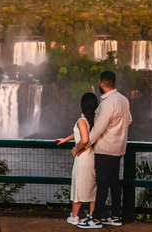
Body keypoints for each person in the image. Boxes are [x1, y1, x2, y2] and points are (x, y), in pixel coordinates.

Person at [75, 71, 132, 229]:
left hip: (105, 150)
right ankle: (115, 216)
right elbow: (129, 120)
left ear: (102, 83)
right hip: (118, 148)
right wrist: (117, 131)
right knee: (114, 183)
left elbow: (98, 129)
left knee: (101, 185)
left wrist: (82, 146)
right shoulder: (123, 100)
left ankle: (96, 219)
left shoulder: (107, 103)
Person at [56, 92, 99, 225]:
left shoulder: (81, 120)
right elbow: (80, 134)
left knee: (78, 185)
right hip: (92, 156)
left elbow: (84, 139)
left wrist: (76, 149)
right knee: (92, 186)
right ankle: (92, 215)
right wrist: (67, 139)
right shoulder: (93, 121)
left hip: (83, 157)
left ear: (81, 106)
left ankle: (74, 216)